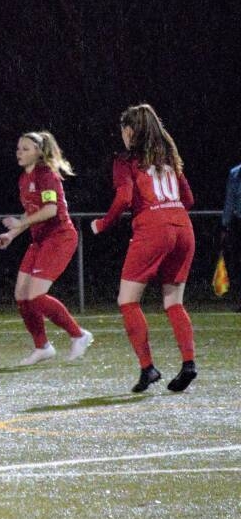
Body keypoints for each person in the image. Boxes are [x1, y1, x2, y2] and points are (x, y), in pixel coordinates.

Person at [91, 104, 197, 393]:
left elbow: (124, 198)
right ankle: (189, 364)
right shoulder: (169, 158)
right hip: (183, 227)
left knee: (127, 300)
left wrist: (103, 224)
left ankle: (148, 368)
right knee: (174, 302)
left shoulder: (125, 161)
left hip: (153, 228)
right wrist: (170, 216)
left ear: (129, 130)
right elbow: (188, 198)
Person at [0, 132, 93, 365]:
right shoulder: (24, 179)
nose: (19, 152)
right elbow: (31, 212)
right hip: (40, 241)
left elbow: (50, 210)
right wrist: (11, 234)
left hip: (59, 238)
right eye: (18, 148)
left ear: (38, 152)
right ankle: (43, 347)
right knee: (22, 295)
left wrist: (18, 224)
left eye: (25, 149)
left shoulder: (46, 175)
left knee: (36, 296)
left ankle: (79, 335)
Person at [221, 160, 241, 311]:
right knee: (237, 263)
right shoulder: (235, 173)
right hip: (238, 222)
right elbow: (229, 200)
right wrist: (225, 225)